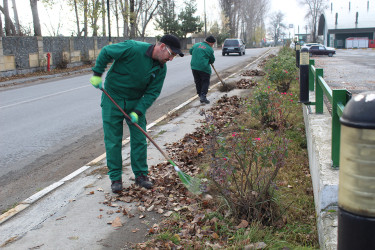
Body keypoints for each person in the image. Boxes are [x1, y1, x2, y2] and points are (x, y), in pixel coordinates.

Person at [89, 34, 184, 193]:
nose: (172, 58)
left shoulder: (161, 68)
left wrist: (138, 111)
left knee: (140, 138)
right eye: (171, 54)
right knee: (113, 140)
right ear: (162, 47)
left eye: (174, 55)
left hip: (135, 101)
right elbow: (106, 52)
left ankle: (141, 175)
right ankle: (116, 179)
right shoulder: (132, 48)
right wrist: (97, 74)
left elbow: (152, 93)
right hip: (113, 98)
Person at [189, 35, 216, 104]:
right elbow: (212, 60)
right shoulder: (209, 49)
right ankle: (203, 96)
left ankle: (200, 94)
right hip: (204, 68)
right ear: (210, 42)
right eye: (213, 44)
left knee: (197, 81)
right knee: (205, 81)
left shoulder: (196, 45)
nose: (213, 45)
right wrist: (209, 61)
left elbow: (190, 52)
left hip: (194, 67)